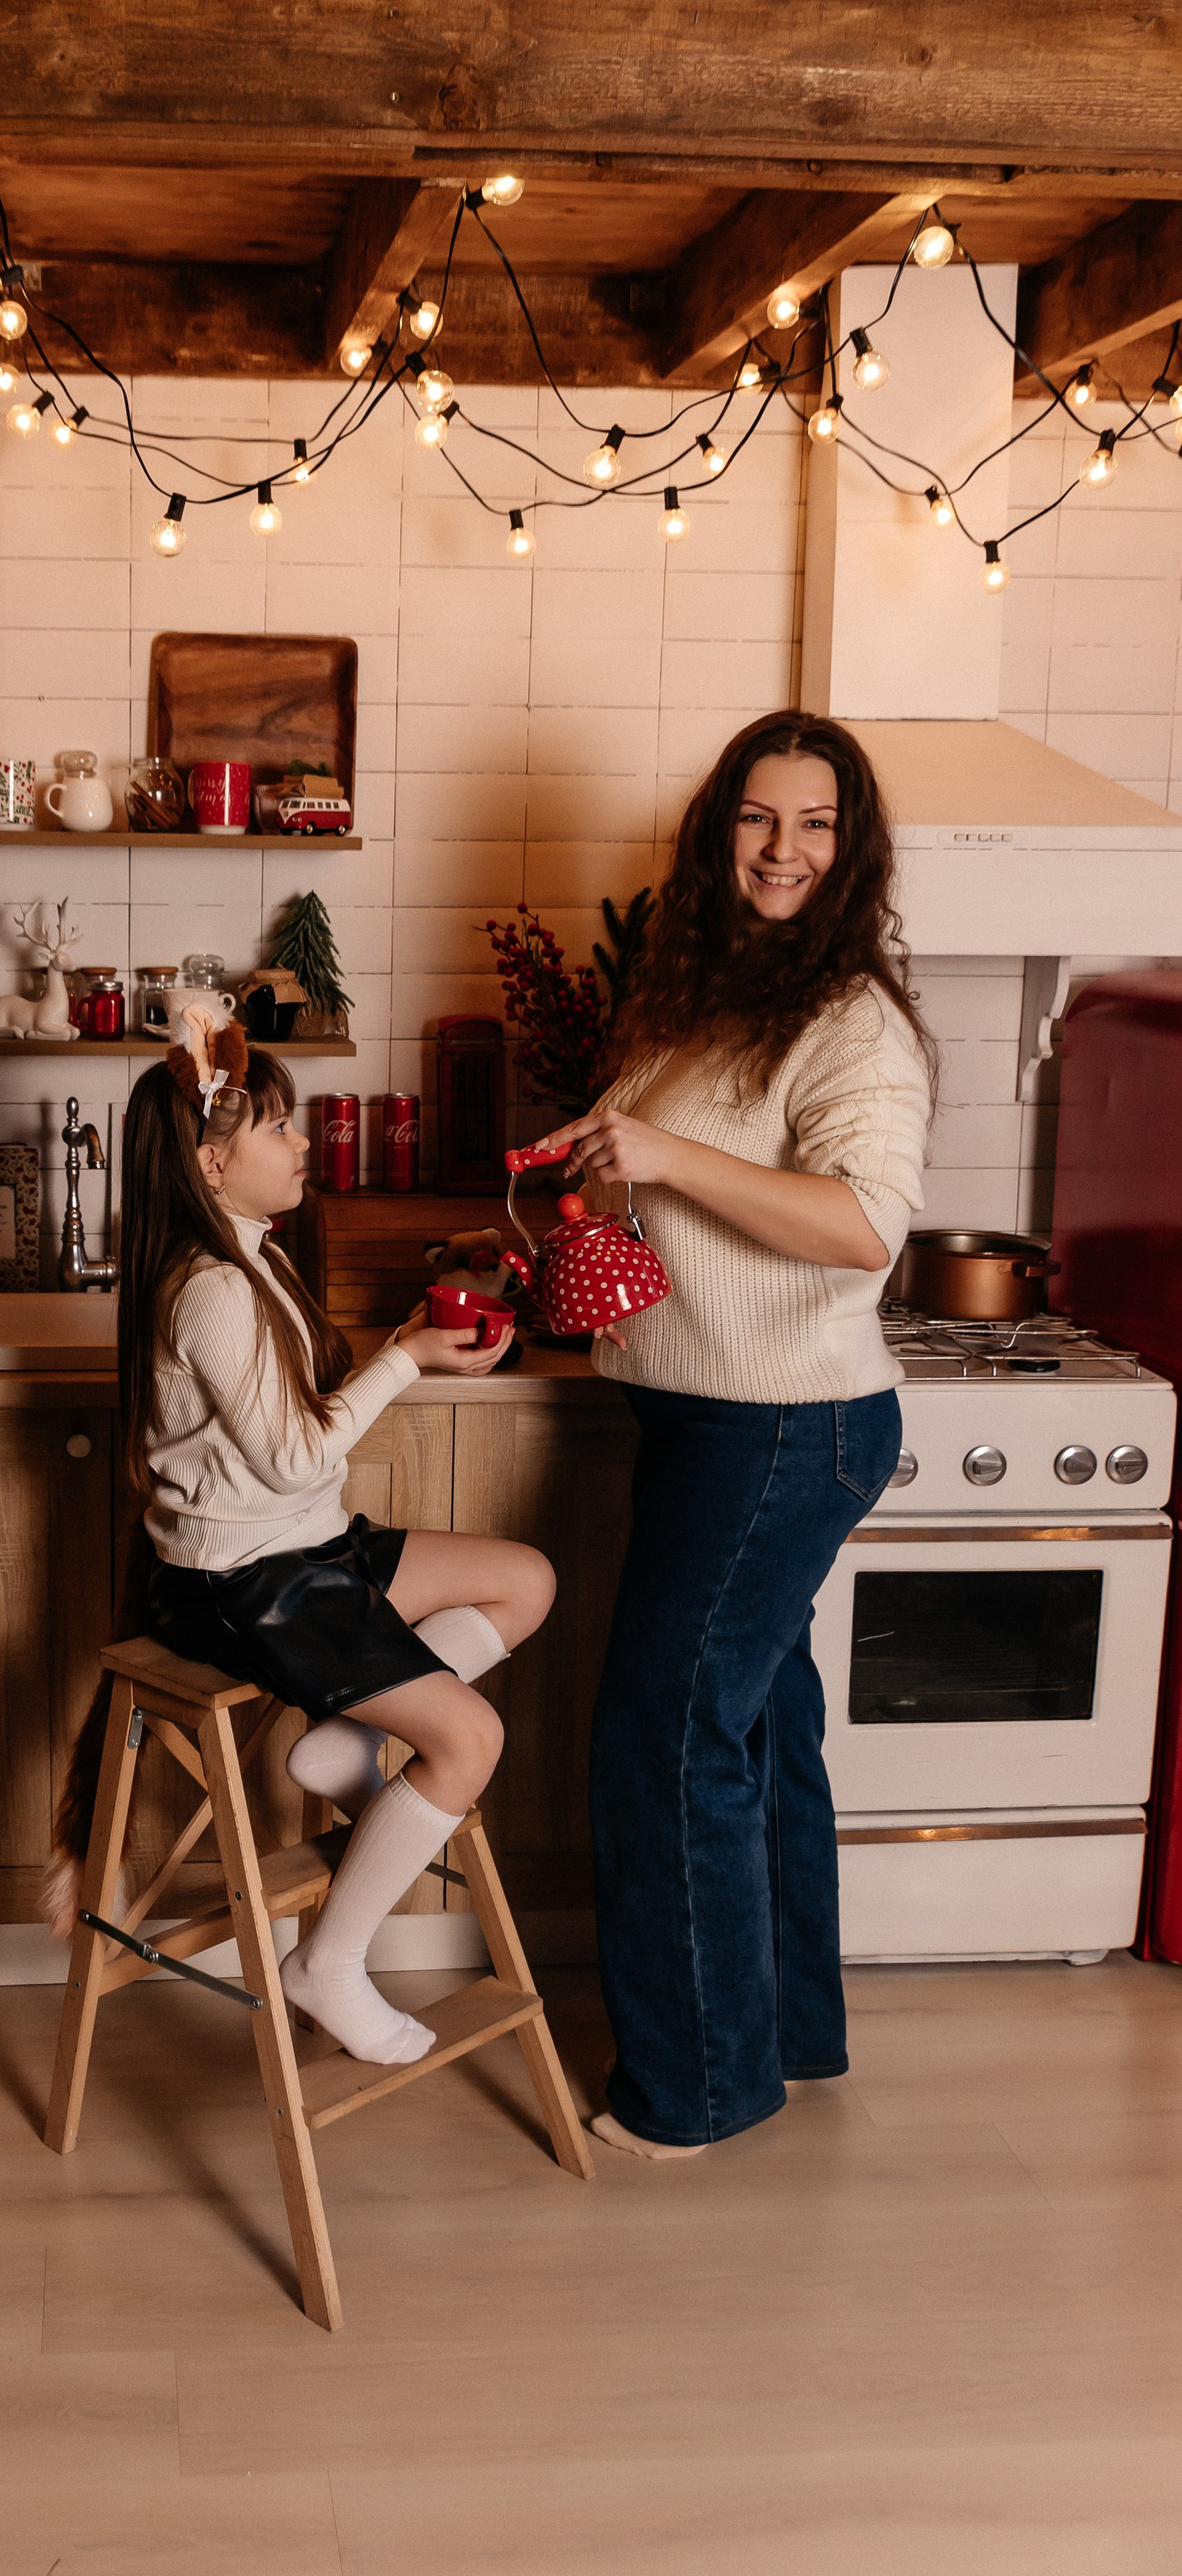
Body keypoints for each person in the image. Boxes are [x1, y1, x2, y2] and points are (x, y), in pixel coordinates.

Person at [535, 710, 933, 2158]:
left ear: (850, 846)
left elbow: (858, 1230)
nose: (781, 850)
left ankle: (695, 2087)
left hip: (778, 1428)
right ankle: (787, 2036)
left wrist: (662, 1156)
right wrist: (596, 1177)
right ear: (720, 834)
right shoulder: (700, 994)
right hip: (710, 1414)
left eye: (813, 825)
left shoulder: (851, 1023)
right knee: (757, 1731)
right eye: (759, 820)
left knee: (662, 1742)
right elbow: (662, 1176)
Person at [44, 1012, 555, 2070]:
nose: (302, 1145)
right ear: (211, 1160)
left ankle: (345, 1745)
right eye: (278, 1128)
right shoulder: (214, 1291)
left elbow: (291, 1436)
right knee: (471, 1742)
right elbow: (291, 1456)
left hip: (305, 1550)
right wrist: (408, 1360)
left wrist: (411, 1342)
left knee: (525, 1582)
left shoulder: (253, 1258)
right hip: (244, 1585)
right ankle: (329, 1961)